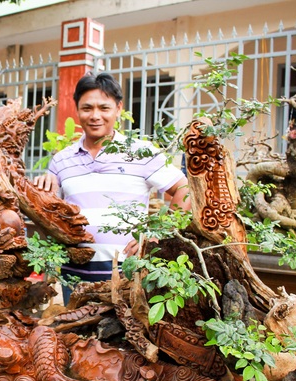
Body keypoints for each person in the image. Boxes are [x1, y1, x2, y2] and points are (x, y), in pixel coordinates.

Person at [33, 72, 190, 303]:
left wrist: (159, 236)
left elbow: (184, 188)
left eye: (104, 108)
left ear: (118, 108)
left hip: (126, 274)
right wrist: (43, 189)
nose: (95, 116)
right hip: (74, 275)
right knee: (75, 336)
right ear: (77, 110)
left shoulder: (140, 152)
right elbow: (52, 216)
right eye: (87, 108)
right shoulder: (61, 160)